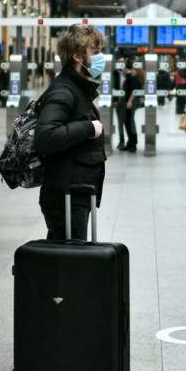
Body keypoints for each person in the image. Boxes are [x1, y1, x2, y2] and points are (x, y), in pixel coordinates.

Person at [35, 25, 107, 240]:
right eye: (95, 52)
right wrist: (88, 127)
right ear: (77, 56)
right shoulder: (64, 90)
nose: (100, 57)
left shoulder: (75, 88)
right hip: (66, 194)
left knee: (67, 259)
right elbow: (46, 136)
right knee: (69, 261)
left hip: (75, 189)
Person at [121, 62, 142, 153]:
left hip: (131, 103)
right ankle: (130, 142)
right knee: (128, 122)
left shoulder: (131, 78)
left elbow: (134, 91)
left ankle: (133, 144)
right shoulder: (131, 77)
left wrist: (129, 101)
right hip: (129, 103)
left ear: (127, 69)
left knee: (130, 123)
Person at [112, 57, 127, 150]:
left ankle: (131, 141)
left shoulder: (127, 73)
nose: (122, 63)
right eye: (120, 62)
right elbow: (113, 87)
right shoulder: (115, 73)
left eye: (123, 62)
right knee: (120, 122)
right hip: (120, 101)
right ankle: (122, 141)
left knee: (129, 122)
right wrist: (115, 100)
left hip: (128, 101)